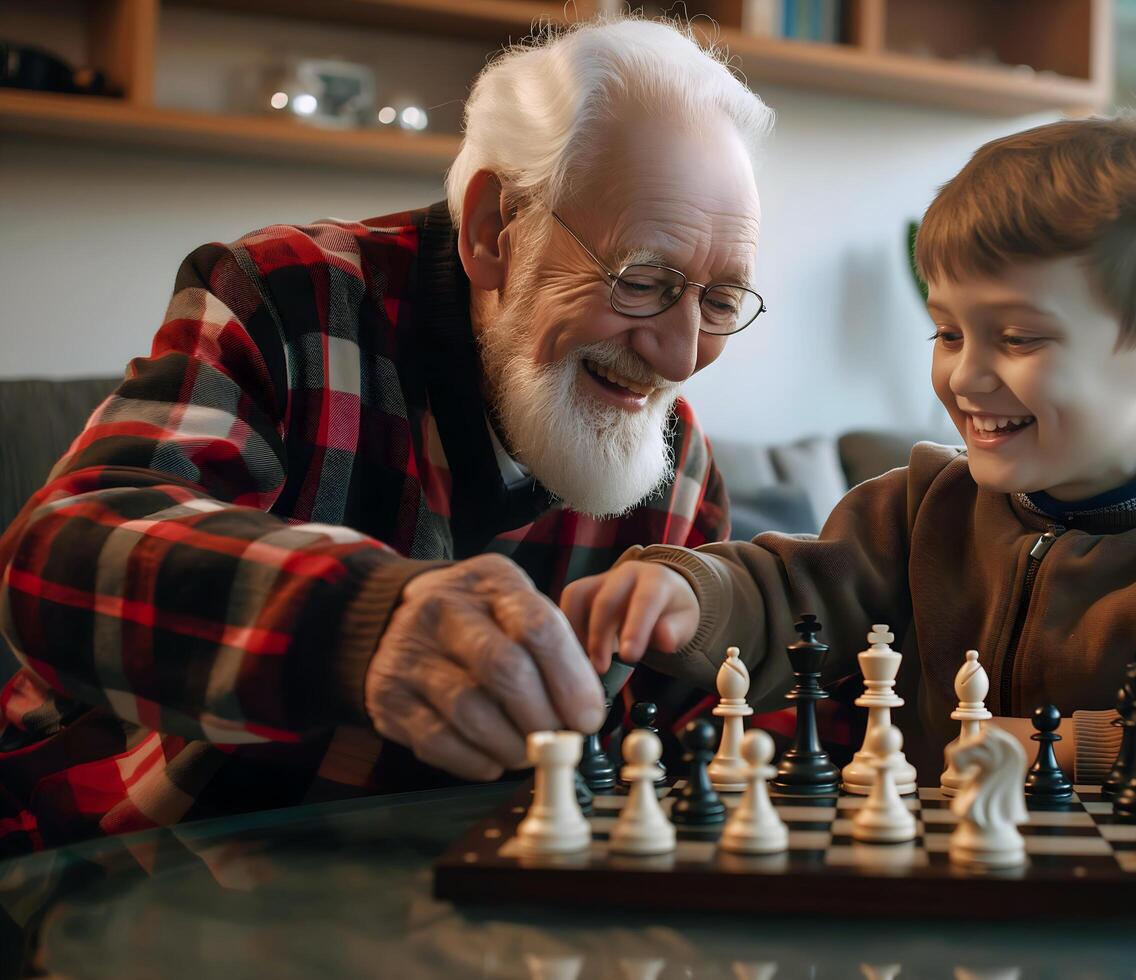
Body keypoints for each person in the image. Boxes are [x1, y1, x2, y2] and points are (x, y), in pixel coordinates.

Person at [0, 18, 773, 851]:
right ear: (493, 231)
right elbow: (54, 559)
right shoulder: (288, 300)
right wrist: (367, 623)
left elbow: (709, 757)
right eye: (643, 280)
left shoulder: (675, 464)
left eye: (722, 300)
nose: (684, 356)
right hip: (124, 869)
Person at [560, 107, 1136, 826]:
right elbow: (792, 590)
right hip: (961, 908)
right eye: (947, 331)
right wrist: (689, 593)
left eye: (1017, 338)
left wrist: (1071, 748)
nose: (965, 375)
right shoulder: (923, 505)